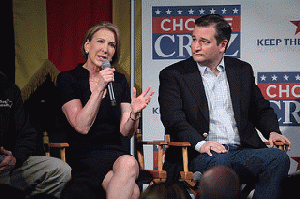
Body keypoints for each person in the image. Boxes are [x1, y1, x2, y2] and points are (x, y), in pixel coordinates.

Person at [158, 14, 291, 199]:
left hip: (242, 151)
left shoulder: (241, 70)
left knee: (278, 158)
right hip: (199, 155)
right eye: (194, 39)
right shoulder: (174, 75)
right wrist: (201, 144)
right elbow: (173, 120)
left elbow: (260, 109)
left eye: (204, 41)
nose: (195, 46)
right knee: (221, 161)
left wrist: (272, 131)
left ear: (222, 45)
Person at [57, 21, 154, 199]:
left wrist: (134, 113)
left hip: (115, 153)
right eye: (100, 42)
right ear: (87, 45)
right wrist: (100, 87)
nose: (105, 49)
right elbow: (82, 126)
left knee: (127, 162)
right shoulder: (68, 79)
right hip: (84, 155)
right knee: (132, 191)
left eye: (111, 45)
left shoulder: (119, 81)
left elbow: (126, 131)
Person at [0, 72, 71, 198]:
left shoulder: (9, 88)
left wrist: (16, 158)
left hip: (6, 164)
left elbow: (27, 134)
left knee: (60, 170)